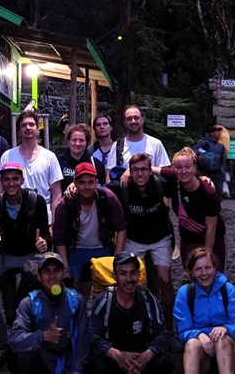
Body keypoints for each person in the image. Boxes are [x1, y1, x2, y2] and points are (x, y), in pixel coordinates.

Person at [0, 162, 52, 370]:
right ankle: (4, 342)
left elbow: (45, 231)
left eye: (15, 179)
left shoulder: (35, 201)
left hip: (30, 254)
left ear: (22, 180)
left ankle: (35, 336)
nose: (11, 184)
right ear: (1, 181)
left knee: (43, 291)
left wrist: (44, 242)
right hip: (5, 256)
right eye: (6, 179)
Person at [110, 153, 175, 327]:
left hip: (160, 236)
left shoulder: (161, 185)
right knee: (128, 279)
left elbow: (179, 176)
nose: (140, 174)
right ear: (129, 172)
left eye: (144, 170)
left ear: (150, 170)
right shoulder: (123, 187)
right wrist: (72, 185)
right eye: (135, 170)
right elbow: (98, 189)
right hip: (134, 238)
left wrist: (206, 178)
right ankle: (131, 320)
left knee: (165, 279)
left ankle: (168, 325)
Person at [89, 251, 174, 374]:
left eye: (133, 273)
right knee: (96, 365)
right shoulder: (103, 301)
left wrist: (147, 355)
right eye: (123, 274)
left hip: (141, 357)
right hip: (115, 358)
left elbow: (163, 333)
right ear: (114, 276)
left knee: (165, 362)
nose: (129, 279)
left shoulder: (148, 299)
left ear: (138, 274)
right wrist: (116, 355)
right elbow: (93, 335)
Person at [53, 162, 127, 299]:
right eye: (82, 183)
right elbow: (59, 238)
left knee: (113, 286)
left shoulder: (107, 198)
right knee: (72, 293)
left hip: (103, 248)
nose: (86, 187)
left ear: (96, 182)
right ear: (75, 182)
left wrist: (117, 258)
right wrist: (65, 266)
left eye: (90, 182)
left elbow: (121, 227)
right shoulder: (66, 204)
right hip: (76, 249)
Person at [7, 252, 90, 374]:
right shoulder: (29, 303)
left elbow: (82, 346)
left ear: (63, 274)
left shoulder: (77, 301)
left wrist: (74, 371)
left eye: (57, 270)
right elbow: (14, 340)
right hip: (40, 361)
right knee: (22, 359)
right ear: (39, 277)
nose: (52, 276)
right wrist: (43, 336)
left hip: (67, 360)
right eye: (46, 271)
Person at [175, 248, 235, 374]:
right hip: (203, 356)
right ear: (191, 272)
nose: (204, 273)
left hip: (232, 354)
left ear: (214, 268)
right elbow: (183, 331)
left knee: (221, 339)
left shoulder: (228, 289)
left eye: (207, 267)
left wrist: (226, 329)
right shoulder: (185, 293)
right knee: (192, 344)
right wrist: (199, 334)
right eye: (198, 269)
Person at [160, 148, 226, 271]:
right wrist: (128, 171)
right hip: (188, 237)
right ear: (174, 169)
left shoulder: (207, 190)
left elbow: (211, 228)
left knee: (211, 274)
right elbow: (151, 169)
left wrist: (207, 256)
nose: (183, 171)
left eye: (188, 166)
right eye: (178, 167)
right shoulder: (173, 180)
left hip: (212, 236)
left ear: (194, 167)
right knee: (190, 274)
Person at [0, 110, 62, 224]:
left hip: (44, 221)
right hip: (13, 221)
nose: (28, 127)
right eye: (23, 125)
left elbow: (56, 194)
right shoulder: (7, 156)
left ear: (37, 129)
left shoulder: (50, 157)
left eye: (31, 124)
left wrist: (54, 225)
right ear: (19, 131)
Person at [106, 106, 170, 174]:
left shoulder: (155, 144)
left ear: (142, 120)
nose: (133, 121)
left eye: (136, 118)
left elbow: (166, 171)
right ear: (124, 122)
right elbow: (109, 173)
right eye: (129, 119)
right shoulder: (117, 146)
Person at [58, 124, 106, 191]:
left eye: (81, 140)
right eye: (74, 140)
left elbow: (102, 188)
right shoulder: (58, 162)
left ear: (87, 143)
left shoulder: (96, 164)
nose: (77, 143)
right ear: (68, 142)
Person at [192, 125, 228, 202]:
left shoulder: (221, 146)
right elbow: (194, 149)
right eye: (216, 132)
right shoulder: (204, 144)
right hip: (205, 173)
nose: (218, 134)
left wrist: (222, 174)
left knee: (217, 196)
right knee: (205, 194)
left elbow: (223, 161)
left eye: (219, 132)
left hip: (217, 175)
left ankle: (217, 212)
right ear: (211, 133)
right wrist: (198, 155)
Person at [88, 114, 115, 178]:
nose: (102, 127)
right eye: (98, 125)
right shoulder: (90, 150)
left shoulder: (118, 148)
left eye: (105, 124)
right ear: (94, 129)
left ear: (111, 127)